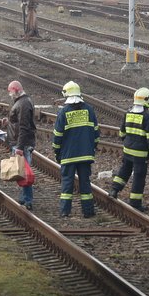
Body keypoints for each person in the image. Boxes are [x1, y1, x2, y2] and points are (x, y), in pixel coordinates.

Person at [52, 81, 99, 218]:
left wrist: (57, 151)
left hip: (68, 156)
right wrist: (92, 148)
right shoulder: (89, 110)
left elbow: (57, 135)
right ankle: (88, 211)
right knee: (85, 183)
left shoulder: (64, 112)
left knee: (67, 185)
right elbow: (96, 132)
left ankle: (65, 211)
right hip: (86, 155)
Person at [110, 87, 149, 212]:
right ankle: (135, 202)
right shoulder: (148, 116)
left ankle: (114, 190)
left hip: (127, 150)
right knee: (139, 176)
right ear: (146, 100)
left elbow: (121, 133)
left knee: (124, 171)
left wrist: (128, 142)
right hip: (140, 153)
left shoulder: (128, 112)